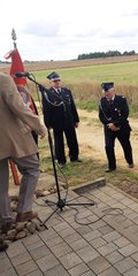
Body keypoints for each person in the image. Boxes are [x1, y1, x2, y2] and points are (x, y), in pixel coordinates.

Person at [0, 73, 46, 251]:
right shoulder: (2, 79)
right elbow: (18, 106)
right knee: (33, 168)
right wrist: (37, 124)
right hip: (11, 138)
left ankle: (4, 219)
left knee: (1, 185)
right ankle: (24, 209)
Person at [42, 71, 80, 167]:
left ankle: (74, 157)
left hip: (68, 120)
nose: (57, 82)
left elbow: (72, 106)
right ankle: (61, 160)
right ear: (50, 82)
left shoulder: (66, 91)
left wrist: (76, 119)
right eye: (55, 81)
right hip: (57, 122)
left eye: (58, 80)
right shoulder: (48, 94)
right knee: (59, 141)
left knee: (72, 139)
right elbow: (46, 110)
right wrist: (48, 123)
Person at [99, 82, 134, 172]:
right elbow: (101, 116)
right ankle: (112, 166)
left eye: (108, 93)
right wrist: (109, 125)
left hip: (121, 127)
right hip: (109, 129)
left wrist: (116, 124)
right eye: (105, 93)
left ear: (113, 91)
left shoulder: (121, 100)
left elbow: (125, 114)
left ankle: (130, 161)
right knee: (108, 146)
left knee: (126, 145)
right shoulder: (102, 101)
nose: (107, 95)